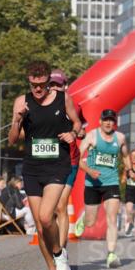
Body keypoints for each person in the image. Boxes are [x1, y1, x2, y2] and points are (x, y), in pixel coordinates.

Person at [8, 60, 81, 270]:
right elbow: (12, 140)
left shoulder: (63, 99)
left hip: (57, 165)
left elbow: (77, 123)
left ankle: (59, 254)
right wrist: (18, 119)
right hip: (32, 168)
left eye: (41, 85)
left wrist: (72, 134)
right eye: (33, 85)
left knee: (47, 216)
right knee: (40, 227)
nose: (37, 89)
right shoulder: (21, 102)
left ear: (49, 82)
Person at [79, 109, 130, 268]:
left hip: (111, 182)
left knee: (112, 218)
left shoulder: (120, 138)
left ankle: (111, 254)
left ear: (114, 123)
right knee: (90, 222)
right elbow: (77, 158)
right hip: (92, 183)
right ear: (100, 121)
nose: (108, 123)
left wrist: (129, 171)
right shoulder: (91, 136)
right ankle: (84, 218)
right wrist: (89, 171)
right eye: (106, 120)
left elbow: (126, 156)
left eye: (111, 120)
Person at [49, 69, 86, 244]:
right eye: (51, 85)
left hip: (69, 160)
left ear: (65, 86)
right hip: (47, 160)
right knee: (47, 209)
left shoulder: (74, 106)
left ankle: (61, 250)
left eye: (58, 85)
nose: (54, 88)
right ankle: (53, 242)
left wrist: (76, 132)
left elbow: (81, 127)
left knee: (60, 204)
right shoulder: (40, 105)